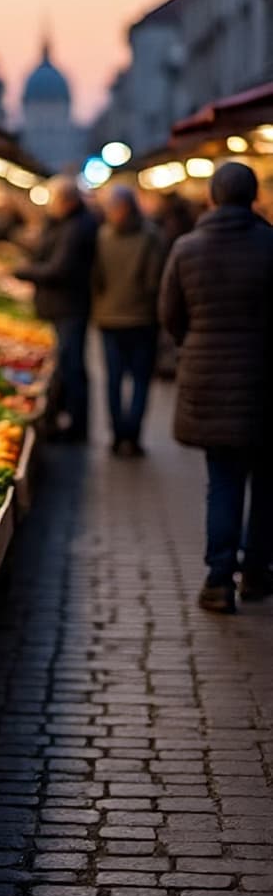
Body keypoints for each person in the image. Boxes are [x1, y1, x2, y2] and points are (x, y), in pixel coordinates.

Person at [159, 161, 273, 614]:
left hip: (209, 383)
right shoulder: (271, 244)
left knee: (222, 482)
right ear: (254, 198)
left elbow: (169, 314)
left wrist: (196, 345)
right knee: (266, 484)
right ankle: (258, 573)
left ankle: (219, 580)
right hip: (265, 384)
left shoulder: (187, 248)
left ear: (211, 197)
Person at [15, 176, 98, 442]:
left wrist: (23, 271)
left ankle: (76, 425)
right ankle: (65, 418)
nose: (49, 205)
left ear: (65, 200)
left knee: (72, 365)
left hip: (69, 306)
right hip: (62, 306)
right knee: (67, 364)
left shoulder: (77, 227)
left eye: (53, 200)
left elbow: (60, 268)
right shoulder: (65, 223)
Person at [92, 185, 164, 457]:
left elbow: (95, 277)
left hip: (110, 318)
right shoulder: (152, 236)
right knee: (140, 380)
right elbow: (155, 281)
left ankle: (118, 434)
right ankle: (131, 435)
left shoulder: (102, 236)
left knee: (113, 379)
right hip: (141, 319)